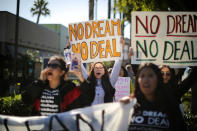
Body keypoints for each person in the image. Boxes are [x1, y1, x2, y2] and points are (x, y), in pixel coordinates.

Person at [121, 63, 187, 131]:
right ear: (138, 80)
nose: (146, 80)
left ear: (158, 79)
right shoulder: (129, 105)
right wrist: (121, 106)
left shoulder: (170, 105)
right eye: (142, 76)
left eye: (150, 75)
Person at [22, 55, 88, 116]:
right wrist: (40, 81)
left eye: (54, 66)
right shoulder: (39, 86)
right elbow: (26, 99)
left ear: (62, 72)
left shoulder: (69, 88)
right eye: (48, 65)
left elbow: (88, 97)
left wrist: (80, 76)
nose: (50, 68)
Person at [80, 37, 124, 106]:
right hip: (90, 115)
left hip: (105, 115)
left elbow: (117, 63)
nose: (98, 69)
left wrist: (120, 48)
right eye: (96, 68)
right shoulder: (88, 81)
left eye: (101, 68)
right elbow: (79, 65)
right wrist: (69, 49)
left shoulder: (110, 82)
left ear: (104, 71)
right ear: (92, 71)